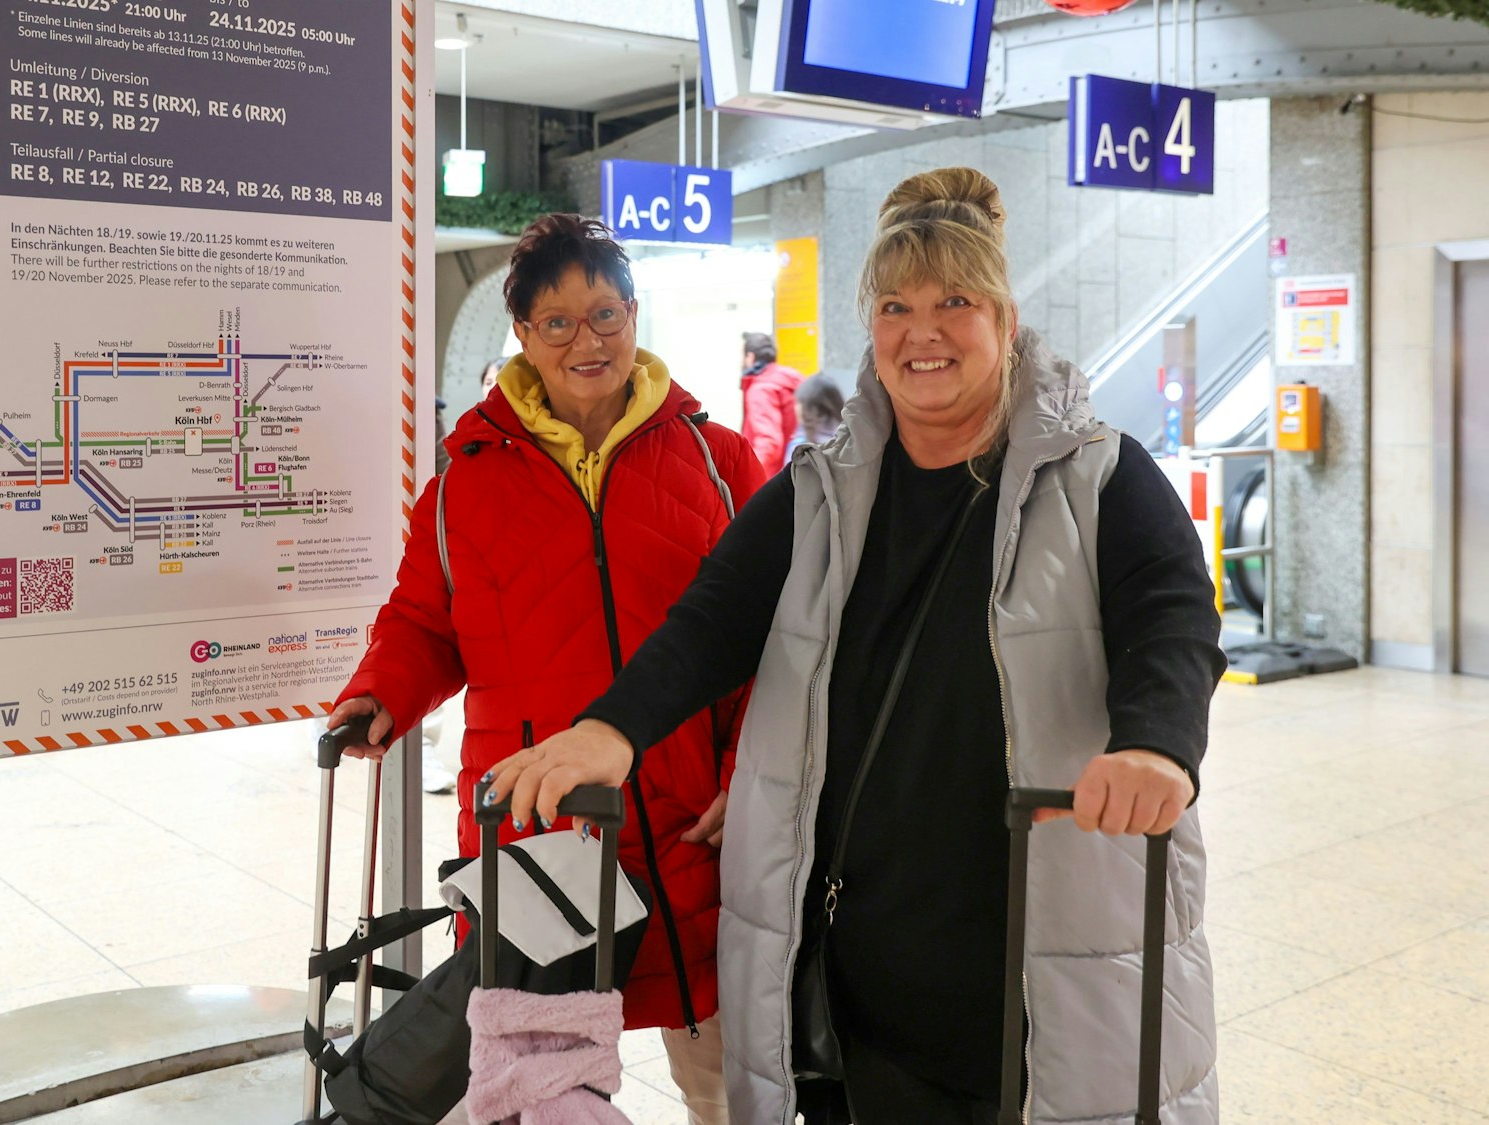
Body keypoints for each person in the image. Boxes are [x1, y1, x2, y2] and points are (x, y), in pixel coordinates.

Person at [483, 169, 1223, 1124]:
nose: (924, 331)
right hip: (850, 982)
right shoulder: (816, 492)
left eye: (954, 301)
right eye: (895, 305)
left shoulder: (1100, 477)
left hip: (1030, 966)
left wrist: (1157, 741)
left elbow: (1171, 610)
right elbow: (713, 620)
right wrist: (613, 730)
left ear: (1001, 315)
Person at [328, 213, 767, 1125]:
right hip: (539, 832)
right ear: (522, 333)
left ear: (635, 315)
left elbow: (774, 640)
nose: (586, 341)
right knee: (538, 1089)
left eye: (605, 314)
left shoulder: (717, 464)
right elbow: (422, 621)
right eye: (557, 322)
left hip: (696, 829)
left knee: (724, 1085)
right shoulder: (465, 485)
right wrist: (379, 693)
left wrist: (749, 778)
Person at [739, 331, 804, 473]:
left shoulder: (761, 389)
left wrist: (745, 474)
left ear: (750, 357)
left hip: (773, 479)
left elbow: (769, 443)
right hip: (798, 473)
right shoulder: (794, 378)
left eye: (741, 356)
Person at [782, 375, 845, 466]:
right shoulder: (850, 437)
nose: (795, 407)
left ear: (807, 407)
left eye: (798, 402)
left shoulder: (798, 447)